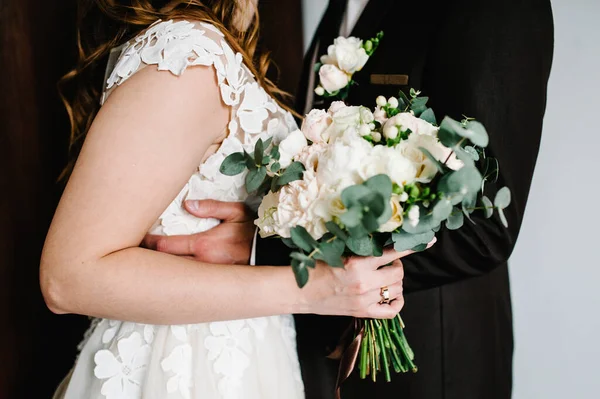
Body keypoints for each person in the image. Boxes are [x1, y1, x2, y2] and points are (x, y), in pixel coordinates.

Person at [154, 0, 554, 398]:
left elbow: (484, 227)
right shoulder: (342, 8)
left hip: (425, 354)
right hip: (319, 340)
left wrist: (267, 250)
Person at [40, 1, 419, 398]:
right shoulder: (189, 56)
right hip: (181, 368)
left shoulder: (213, 46)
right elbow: (68, 278)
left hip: (247, 352)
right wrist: (312, 289)